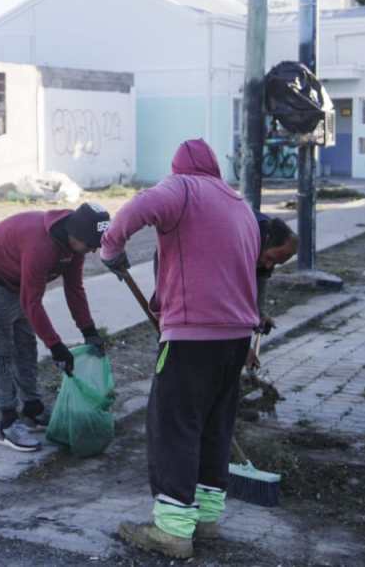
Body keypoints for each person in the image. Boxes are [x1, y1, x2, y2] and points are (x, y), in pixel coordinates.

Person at [101, 139, 260, 559]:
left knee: (174, 427)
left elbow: (137, 208)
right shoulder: (238, 203)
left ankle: (172, 531)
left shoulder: (182, 189)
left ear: (179, 168)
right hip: (236, 337)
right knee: (213, 428)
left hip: (192, 339)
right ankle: (205, 519)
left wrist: (111, 248)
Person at [0, 203, 110, 453]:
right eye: (91, 245)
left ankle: (32, 409)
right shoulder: (41, 247)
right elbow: (31, 302)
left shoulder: (75, 246)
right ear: (74, 235)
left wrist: (89, 331)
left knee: (25, 344)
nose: (94, 250)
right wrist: (55, 346)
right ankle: (7, 423)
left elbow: (74, 288)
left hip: (16, 279)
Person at [253, 213, 299, 337]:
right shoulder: (246, 237)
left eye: (275, 263)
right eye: (270, 258)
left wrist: (260, 314)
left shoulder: (269, 246)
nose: (268, 266)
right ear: (266, 240)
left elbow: (260, 278)